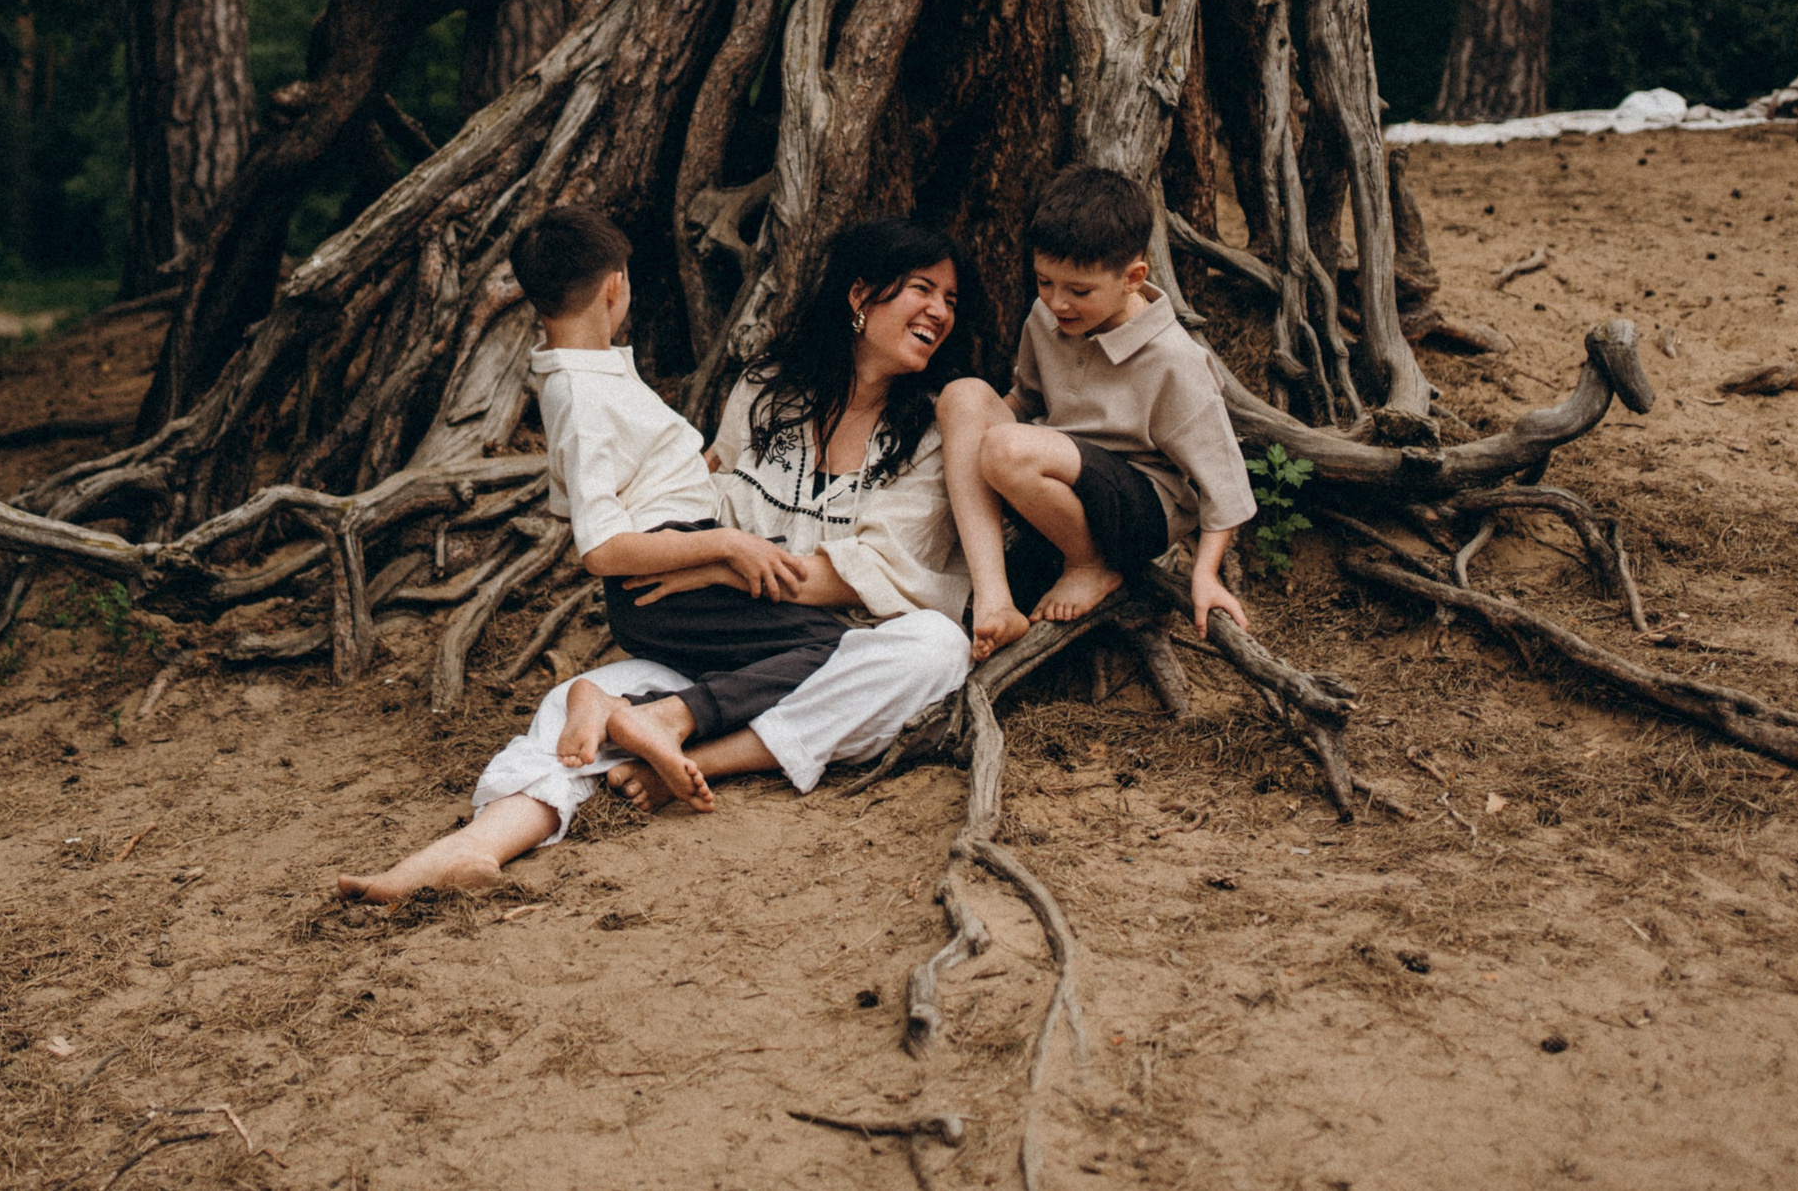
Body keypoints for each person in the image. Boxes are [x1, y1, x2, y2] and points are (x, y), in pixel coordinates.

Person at [336, 219, 982, 903]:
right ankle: (476, 845)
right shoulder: (769, 391)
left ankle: (684, 740)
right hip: (726, 636)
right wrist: (705, 554)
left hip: (842, 658)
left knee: (934, 648)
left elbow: (872, 573)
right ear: (860, 294)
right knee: (570, 700)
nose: (939, 312)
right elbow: (701, 494)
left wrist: (715, 566)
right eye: (921, 289)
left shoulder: (931, 432)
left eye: (950, 300)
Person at [495, 205, 857, 810]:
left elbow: (601, 489)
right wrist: (728, 544)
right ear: (615, 286)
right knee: (837, 651)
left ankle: (628, 709)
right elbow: (601, 548)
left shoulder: (585, 376)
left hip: (671, 571)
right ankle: (633, 711)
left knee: (783, 652)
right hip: (669, 580)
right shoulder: (581, 395)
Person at [936, 164, 1255, 652]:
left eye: (1079, 291)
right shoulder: (1047, 316)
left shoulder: (1174, 360)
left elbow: (1225, 485)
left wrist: (1206, 575)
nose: (1057, 303)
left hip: (1137, 512)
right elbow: (1027, 398)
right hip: (1053, 483)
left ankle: (1090, 565)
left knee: (1006, 449)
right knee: (962, 396)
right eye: (1044, 282)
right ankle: (995, 599)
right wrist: (966, 434)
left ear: (1133, 278)